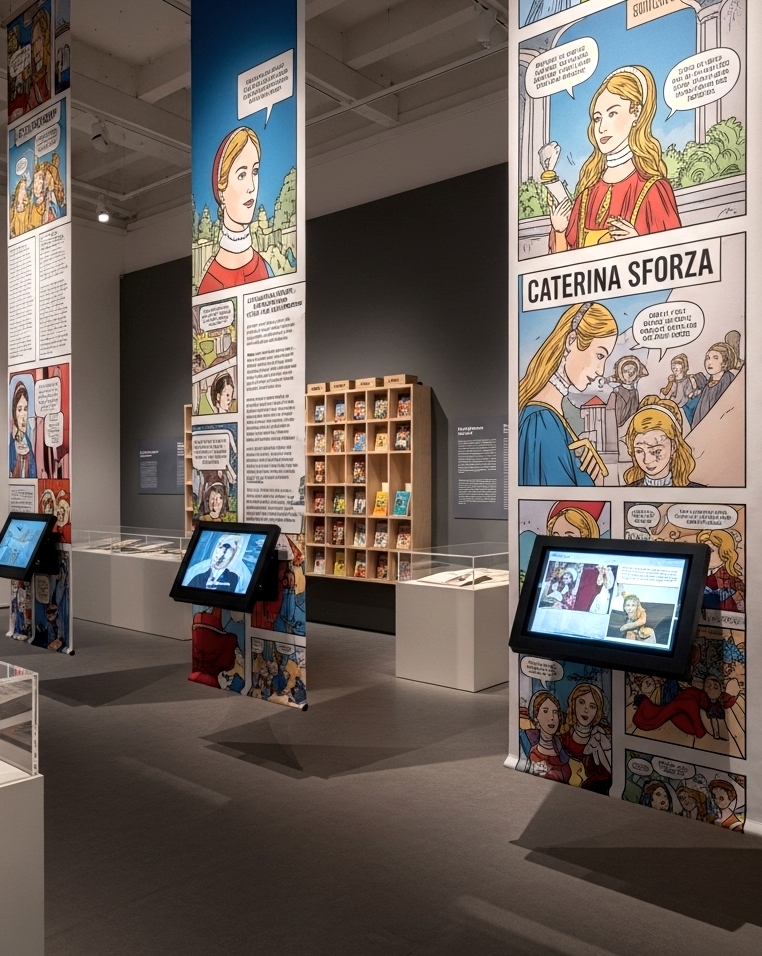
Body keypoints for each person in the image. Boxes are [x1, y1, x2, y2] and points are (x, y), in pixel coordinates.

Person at [549, 65, 680, 253]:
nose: (602, 127)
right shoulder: (586, 196)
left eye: (612, 114)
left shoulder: (654, 189)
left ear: (636, 113)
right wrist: (560, 230)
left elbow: (676, 256)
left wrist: (638, 243)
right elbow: (564, 266)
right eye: (597, 118)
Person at [519, 302, 618, 485]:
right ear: (571, 340)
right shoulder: (541, 421)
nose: (601, 371)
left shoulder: (549, 417)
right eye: (599, 355)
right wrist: (594, 484)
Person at [197, 128, 274, 294]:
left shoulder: (266, 269)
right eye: (241, 175)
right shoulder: (210, 285)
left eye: (255, 172)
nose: (251, 186)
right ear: (221, 192)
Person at [624, 396, 702, 487]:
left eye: (656, 451)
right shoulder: (626, 492)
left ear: (673, 446)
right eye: (639, 451)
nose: (647, 460)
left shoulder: (696, 491)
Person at [558, 683, 612, 794]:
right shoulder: (562, 738)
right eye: (582, 702)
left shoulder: (602, 738)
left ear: (597, 712)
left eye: (592, 706)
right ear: (573, 704)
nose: (586, 710)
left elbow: (609, 776)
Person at [519, 691, 571, 783]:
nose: (552, 717)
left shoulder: (563, 749)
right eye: (545, 711)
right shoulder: (535, 754)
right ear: (536, 719)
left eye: (555, 712)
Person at [690, 342, 737, 429]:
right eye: (707, 358)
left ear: (725, 362)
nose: (709, 362)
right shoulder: (708, 385)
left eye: (715, 358)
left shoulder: (729, 382)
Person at [698, 529, 744, 614]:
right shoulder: (696, 575)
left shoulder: (734, 582)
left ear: (724, 552)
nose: (703, 554)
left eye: (711, 550)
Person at [607, 356, 648, 427]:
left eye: (633, 371)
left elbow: (645, 372)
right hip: (617, 427)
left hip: (631, 427)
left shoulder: (635, 392)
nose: (630, 374)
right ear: (620, 373)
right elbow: (609, 413)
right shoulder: (616, 392)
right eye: (625, 371)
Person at [9, 381, 37, 478]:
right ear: (14, 412)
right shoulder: (11, 443)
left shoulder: (27, 443)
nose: (23, 415)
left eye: (25, 409)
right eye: (19, 409)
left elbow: (33, 473)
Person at [659, 353, 698, 422]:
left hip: (683, 408)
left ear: (683, 367)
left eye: (677, 367)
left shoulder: (688, 380)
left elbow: (690, 395)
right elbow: (665, 396)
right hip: (671, 408)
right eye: (673, 368)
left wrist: (694, 390)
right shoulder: (672, 381)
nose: (675, 369)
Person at [27, 8, 51, 112]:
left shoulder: (52, 77)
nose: (36, 48)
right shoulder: (33, 86)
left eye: (39, 39)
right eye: (33, 43)